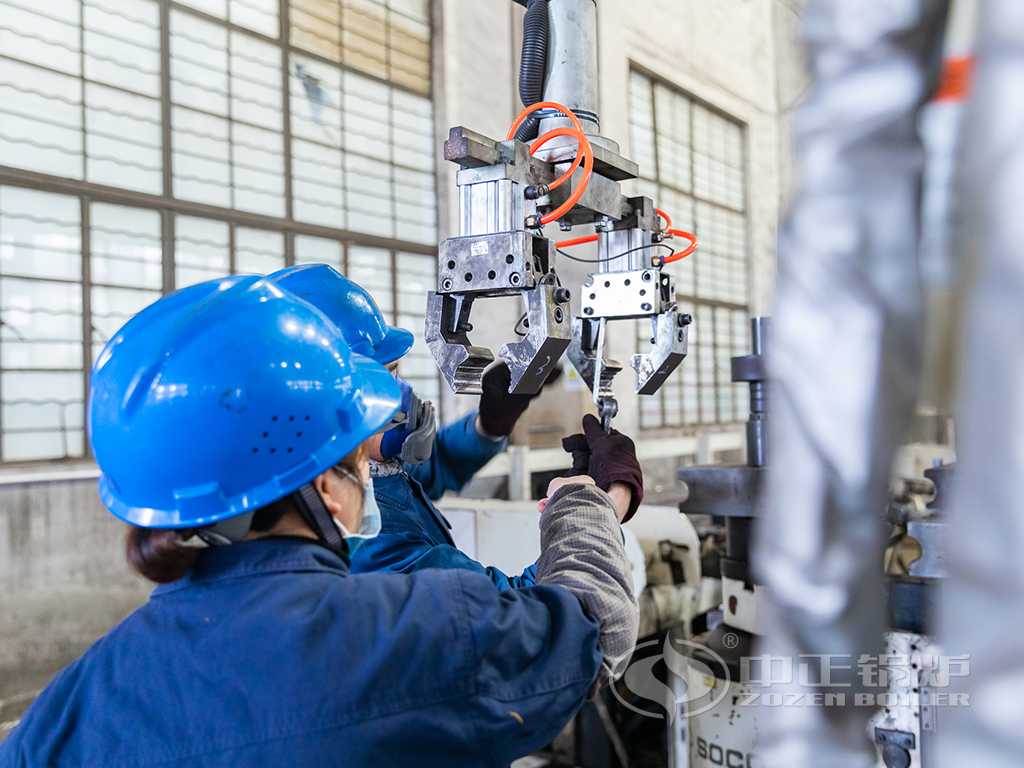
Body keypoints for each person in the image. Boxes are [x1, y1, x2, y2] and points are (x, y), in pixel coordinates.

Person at [0, 275, 640, 767]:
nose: (376, 451)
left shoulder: (64, 711)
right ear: (324, 490)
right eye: (356, 452)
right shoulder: (418, 631)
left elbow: (414, 479)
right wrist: (592, 502)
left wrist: (484, 428)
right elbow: (586, 628)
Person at [269, 264, 644, 589]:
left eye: (395, 372)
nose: (400, 397)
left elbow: (436, 464)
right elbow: (530, 619)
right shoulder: (364, 539)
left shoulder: (365, 471)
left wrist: (491, 423)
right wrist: (605, 507)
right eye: (376, 383)